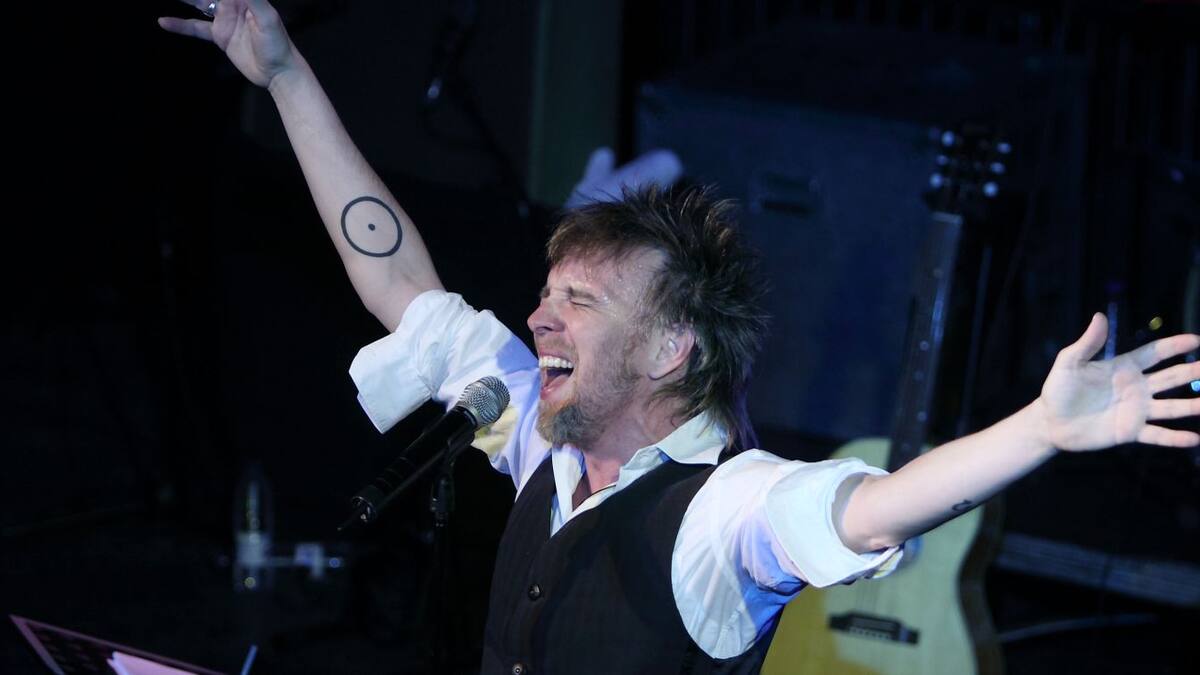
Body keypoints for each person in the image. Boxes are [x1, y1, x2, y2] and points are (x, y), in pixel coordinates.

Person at [160, 1, 1200, 672]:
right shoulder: (536, 440)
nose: (540, 317)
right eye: (547, 294)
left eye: (580, 302)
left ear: (670, 350)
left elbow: (875, 507)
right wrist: (286, 75)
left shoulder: (723, 514)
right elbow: (398, 279)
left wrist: (1040, 430)